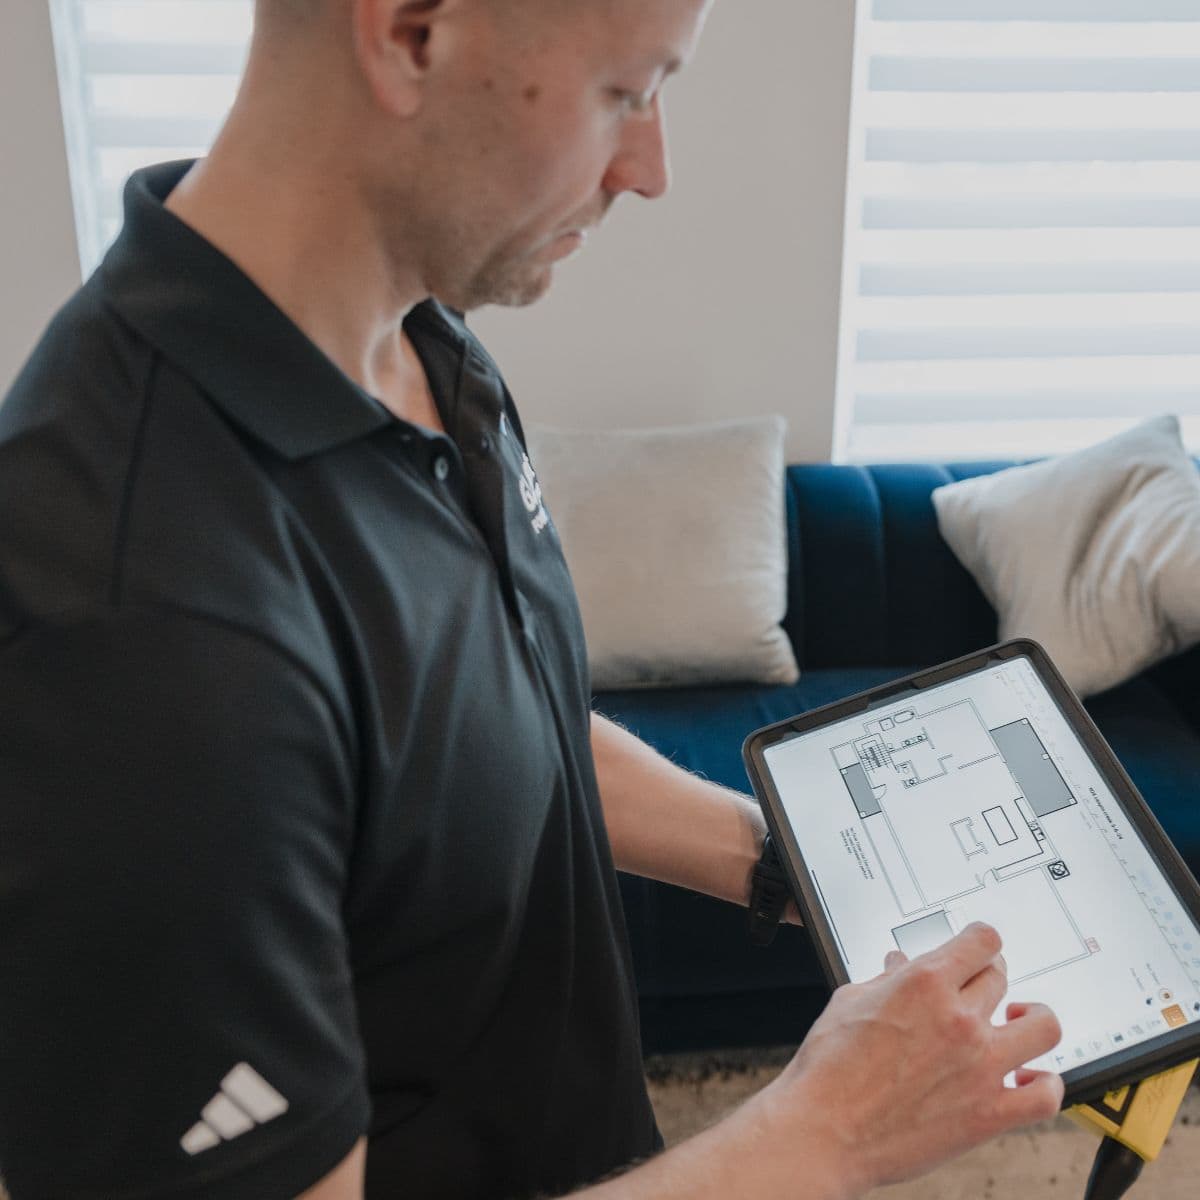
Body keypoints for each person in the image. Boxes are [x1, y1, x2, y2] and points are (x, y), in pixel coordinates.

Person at [0, 1, 1065, 1197]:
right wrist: (828, 1136)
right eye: (627, 91)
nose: (650, 169)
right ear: (409, 34)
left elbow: (491, 718)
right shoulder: (137, 617)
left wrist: (790, 862)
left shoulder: (419, 339)